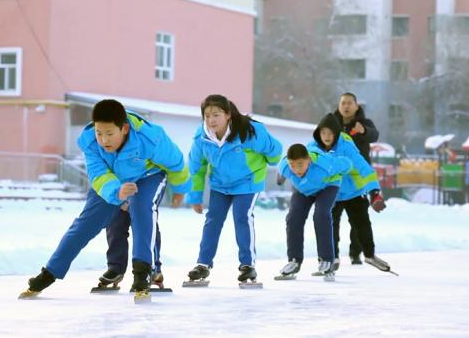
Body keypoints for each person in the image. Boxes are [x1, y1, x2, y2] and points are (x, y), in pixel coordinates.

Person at [19, 99, 190, 298]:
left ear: (124, 128)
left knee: (142, 210)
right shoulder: (90, 142)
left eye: (109, 134)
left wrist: (179, 189)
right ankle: (49, 273)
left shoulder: (150, 137)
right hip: (113, 181)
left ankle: (143, 272)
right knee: (85, 224)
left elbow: (176, 162)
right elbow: (98, 173)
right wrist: (117, 192)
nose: (104, 140)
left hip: (148, 176)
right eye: (99, 133)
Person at [186, 94, 283, 284]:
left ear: (228, 115)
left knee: (242, 217)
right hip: (220, 184)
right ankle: (203, 264)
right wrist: (195, 196)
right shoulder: (202, 137)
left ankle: (247, 265)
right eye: (207, 116)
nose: (211, 120)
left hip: (247, 182)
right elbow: (196, 167)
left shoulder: (250, 131)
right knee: (212, 220)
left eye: (216, 115)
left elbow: (275, 152)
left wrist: (270, 158)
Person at [309, 113, 391, 273]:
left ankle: (369, 254)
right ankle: (331, 257)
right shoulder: (313, 148)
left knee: (362, 223)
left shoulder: (346, 147)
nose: (326, 137)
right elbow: (299, 160)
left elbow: (365, 168)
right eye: (323, 133)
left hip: (354, 190)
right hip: (331, 191)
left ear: (336, 134)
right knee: (328, 224)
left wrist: (374, 191)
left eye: (330, 133)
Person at [276, 143, 352, 282]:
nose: (296, 169)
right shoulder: (285, 166)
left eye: (300, 164)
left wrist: (338, 162)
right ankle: (294, 260)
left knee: (321, 214)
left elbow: (347, 164)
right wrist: (280, 178)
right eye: (293, 165)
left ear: (309, 160)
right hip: (304, 190)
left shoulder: (325, 164)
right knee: (293, 217)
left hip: (328, 186)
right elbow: (280, 172)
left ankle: (327, 259)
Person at [333, 92, 385, 265]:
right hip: (336, 176)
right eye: (343, 103)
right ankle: (332, 254)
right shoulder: (331, 123)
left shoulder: (364, 123)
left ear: (356, 106)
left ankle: (356, 252)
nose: (346, 106)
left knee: (357, 218)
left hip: (357, 177)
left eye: (349, 103)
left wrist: (364, 132)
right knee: (332, 217)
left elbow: (374, 135)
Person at [97, 202, 165, 290]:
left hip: (145, 193)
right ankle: (116, 269)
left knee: (146, 225)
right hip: (121, 193)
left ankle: (153, 269)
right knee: (115, 221)